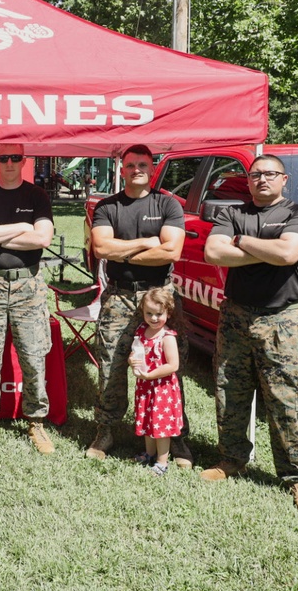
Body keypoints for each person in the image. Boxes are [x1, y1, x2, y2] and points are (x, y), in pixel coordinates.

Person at [202, 155, 298, 515]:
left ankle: (297, 477)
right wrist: (264, 248)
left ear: (284, 179)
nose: (261, 180)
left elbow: (288, 253)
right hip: (236, 315)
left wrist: (241, 243)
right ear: (248, 181)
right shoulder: (231, 213)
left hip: (284, 320)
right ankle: (232, 459)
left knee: (287, 400)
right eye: (255, 175)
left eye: (269, 174)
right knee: (230, 390)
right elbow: (212, 252)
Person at [86, 144, 192, 466]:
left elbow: (171, 251)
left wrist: (125, 250)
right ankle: (106, 430)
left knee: (171, 366)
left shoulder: (168, 204)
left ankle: (176, 437)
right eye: (130, 165)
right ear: (122, 169)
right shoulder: (107, 207)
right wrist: (148, 242)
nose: (136, 170)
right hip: (119, 295)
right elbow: (101, 247)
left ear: (152, 167)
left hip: (159, 295)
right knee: (111, 364)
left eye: (142, 164)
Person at [0, 143, 55, 455]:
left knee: (33, 356)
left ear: (24, 160)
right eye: (3, 158)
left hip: (28, 286)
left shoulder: (36, 196)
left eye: (15, 157)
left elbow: (42, 238)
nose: (10, 163)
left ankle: (36, 422)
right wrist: (20, 227)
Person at [129, 287, 183, 477]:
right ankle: (149, 454)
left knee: (161, 426)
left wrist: (151, 375)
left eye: (158, 314)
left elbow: (173, 365)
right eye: (149, 313)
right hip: (145, 387)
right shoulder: (142, 331)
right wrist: (131, 360)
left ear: (168, 313)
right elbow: (135, 353)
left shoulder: (167, 337)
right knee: (146, 420)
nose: (153, 318)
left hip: (162, 388)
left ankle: (162, 461)